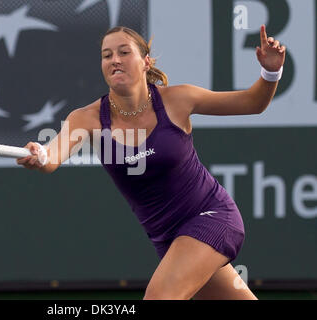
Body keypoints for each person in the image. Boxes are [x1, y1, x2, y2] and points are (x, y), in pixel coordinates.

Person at [17, 25, 286, 300]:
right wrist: (40, 154)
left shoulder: (178, 100)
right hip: (169, 241)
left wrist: (270, 72)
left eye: (124, 52)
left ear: (146, 62)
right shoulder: (87, 118)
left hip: (212, 217)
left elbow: (252, 103)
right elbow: (52, 157)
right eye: (106, 55)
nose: (115, 60)